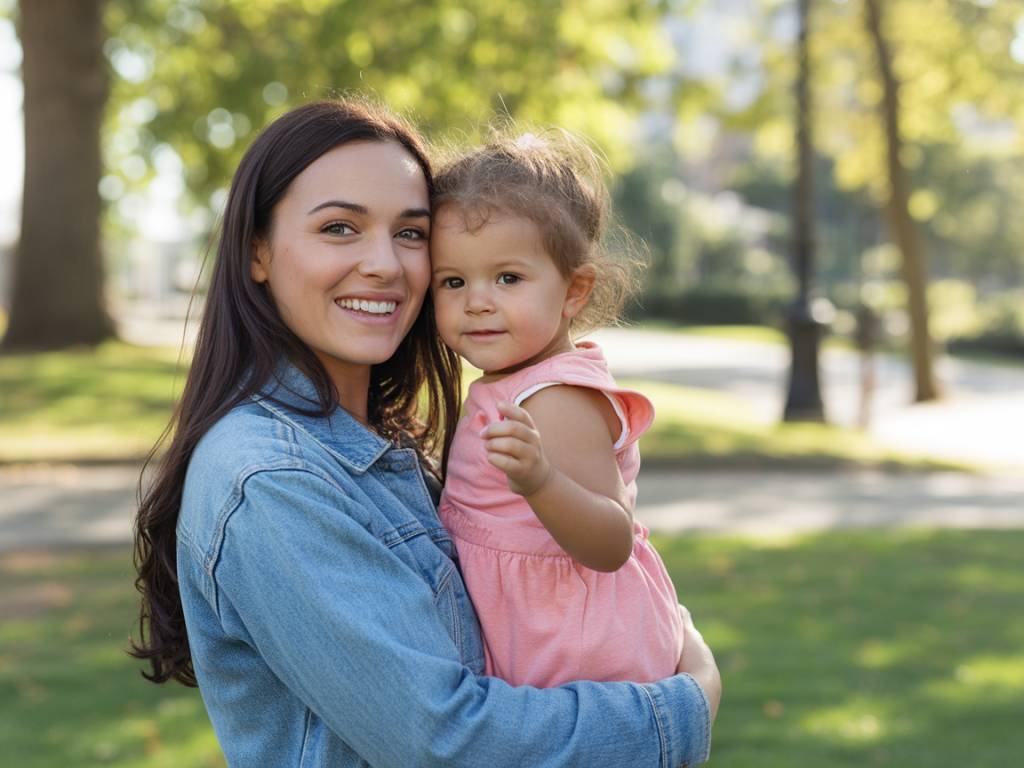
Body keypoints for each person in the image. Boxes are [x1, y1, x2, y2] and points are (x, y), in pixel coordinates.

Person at [131, 99, 720, 768]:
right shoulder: (270, 478)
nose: (384, 263)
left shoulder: (385, 447)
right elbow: (445, 741)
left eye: (410, 234)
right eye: (339, 228)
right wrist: (685, 705)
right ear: (258, 251)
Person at [430, 130, 684, 688]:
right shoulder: (513, 382)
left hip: (581, 652)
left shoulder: (557, 398)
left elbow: (612, 540)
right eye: (453, 281)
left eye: (508, 278)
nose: (477, 300)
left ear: (574, 291)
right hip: (538, 636)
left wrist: (540, 480)